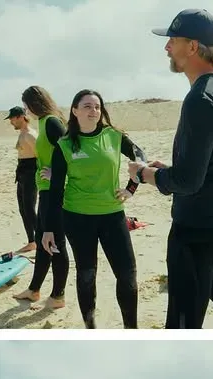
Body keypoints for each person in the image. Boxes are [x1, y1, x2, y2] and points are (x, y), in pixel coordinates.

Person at [130, 9, 213, 330]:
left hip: (198, 232)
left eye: (173, 40)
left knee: (183, 325)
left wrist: (146, 174)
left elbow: (187, 181)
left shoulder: (201, 98)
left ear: (193, 47)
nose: (167, 47)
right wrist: (167, 168)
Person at [42, 90, 143, 329]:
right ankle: (91, 328)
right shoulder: (64, 145)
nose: (93, 111)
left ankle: (132, 329)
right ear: (75, 111)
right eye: (87, 106)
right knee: (87, 275)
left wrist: (131, 188)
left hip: (112, 215)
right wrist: (48, 230)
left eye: (97, 107)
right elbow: (55, 190)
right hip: (77, 218)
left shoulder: (114, 136)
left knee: (127, 275)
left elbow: (140, 156)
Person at [13, 86, 69, 310]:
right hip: (46, 190)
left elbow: (71, 149)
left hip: (55, 192)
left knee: (56, 242)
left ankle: (58, 296)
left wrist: (58, 173)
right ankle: (34, 289)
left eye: (26, 104)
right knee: (42, 239)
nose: (25, 108)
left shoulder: (52, 122)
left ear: (33, 104)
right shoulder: (44, 122)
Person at [6, 105, 38, 253]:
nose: (11, 122)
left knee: (30, 210)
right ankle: (32, 242)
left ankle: (42, 241)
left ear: (20, 117)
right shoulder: (23, 133)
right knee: (23, 209)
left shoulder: (31, 135)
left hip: (31, 173)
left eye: (12, 119)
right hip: (22, 173)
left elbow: (41, 155)